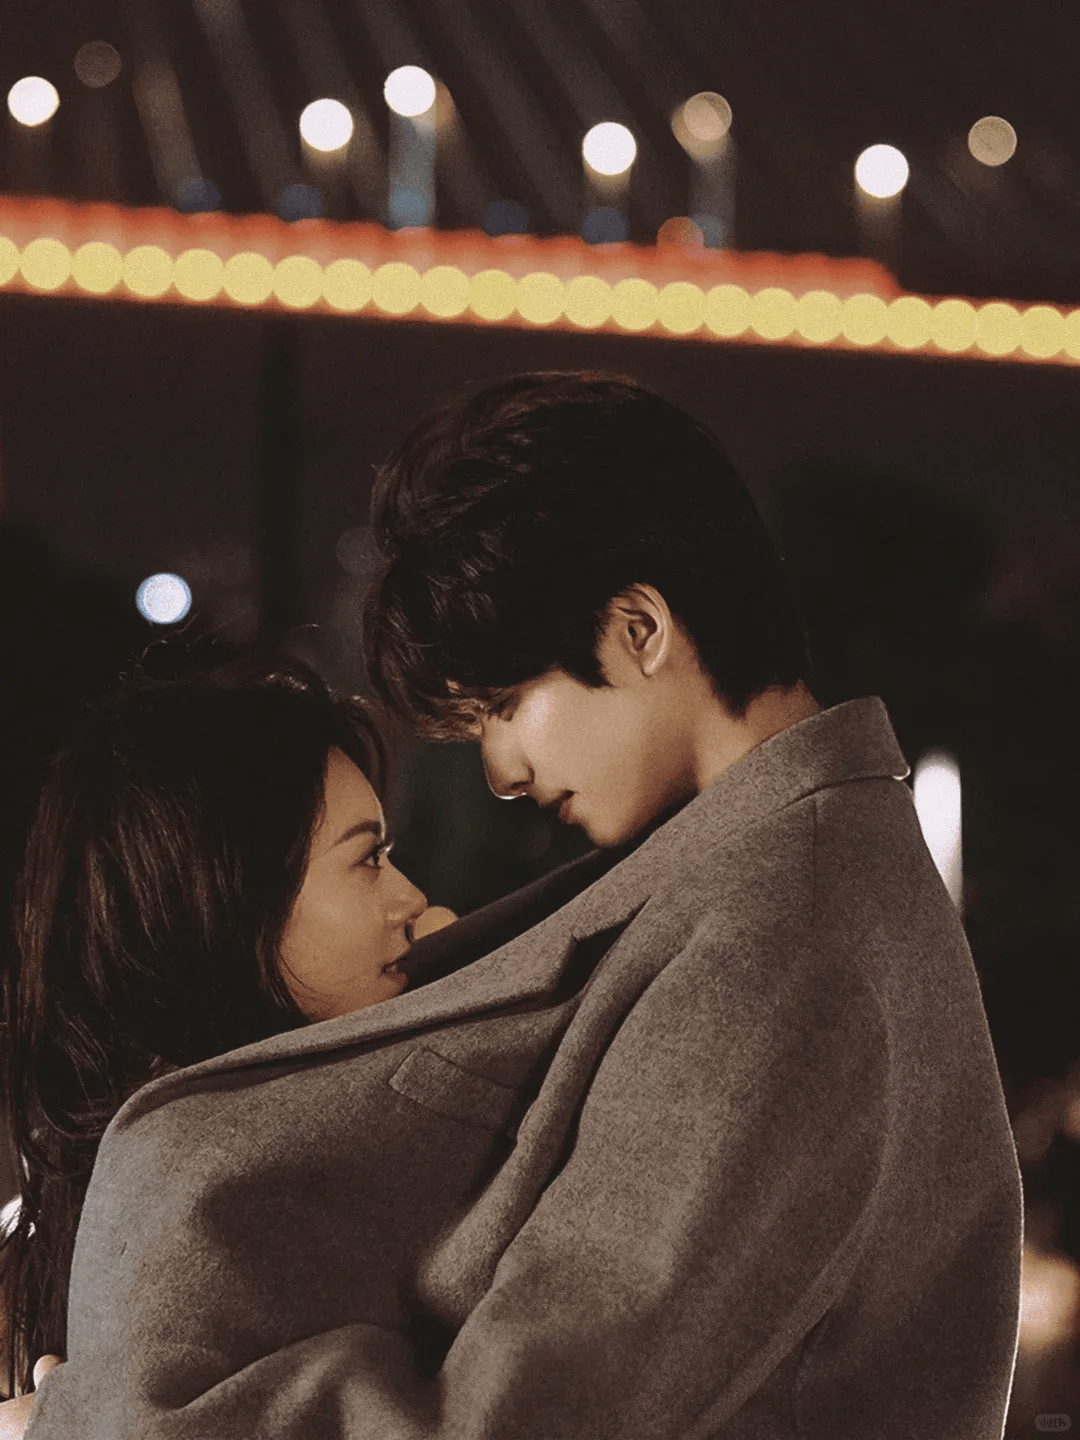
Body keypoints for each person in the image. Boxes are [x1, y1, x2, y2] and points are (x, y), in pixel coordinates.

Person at [18, 372, 1022, 1439]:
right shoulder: (771, 880)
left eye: (504, 704)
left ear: (638, 628)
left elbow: (531, 1417)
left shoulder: (786, 936)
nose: (500, 771)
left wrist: (107, 1424)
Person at [0, 653, 455, 1408]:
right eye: (368, 858)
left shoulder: (64, 1232)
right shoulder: (232, 1206)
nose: (413, 900)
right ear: (231, 901)